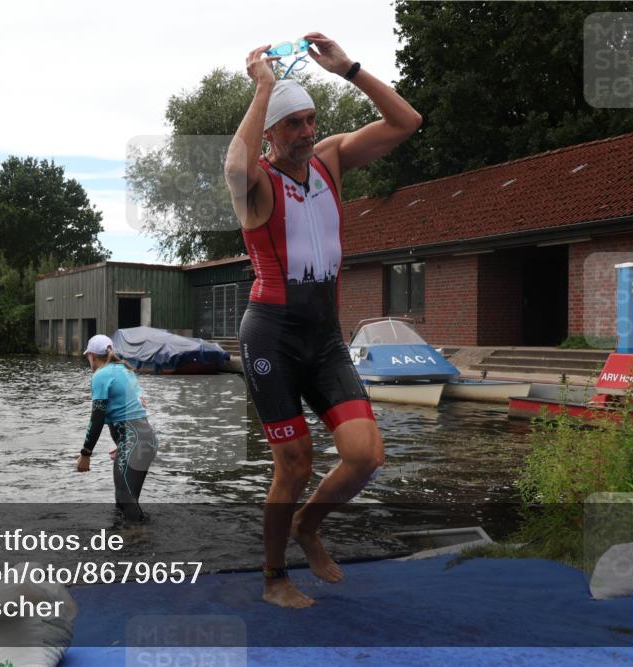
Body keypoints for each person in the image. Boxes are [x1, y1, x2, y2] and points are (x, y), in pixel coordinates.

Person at [223, 33, 421, 608]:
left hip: (325, 336)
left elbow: (406, 121)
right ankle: (273, 577)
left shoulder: (331, 159)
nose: (308, 133)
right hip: (271, 337)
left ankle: (309, 526)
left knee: (365, 456)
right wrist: (263, 86)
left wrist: (350, 69)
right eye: (294, 125)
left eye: (312, 121)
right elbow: (234, 163)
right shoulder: (255, 182)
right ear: (270, 132)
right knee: (294, 464)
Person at [75, 334, 159, 523]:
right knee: (127, 502)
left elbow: (97, 418)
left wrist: (85, 453)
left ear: (92, 356)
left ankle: (139, 538)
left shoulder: (100, 375)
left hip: (133, 440)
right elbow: (137, 408)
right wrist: (124, 443)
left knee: (124, 498)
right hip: (145, 438)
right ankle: (131, 540)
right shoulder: (125, 370)